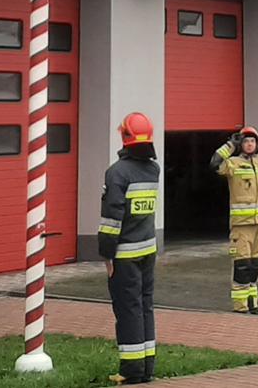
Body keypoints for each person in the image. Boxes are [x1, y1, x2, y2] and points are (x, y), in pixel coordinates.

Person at [100, 112, 160, 383]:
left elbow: (112, 218)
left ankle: (132, 370)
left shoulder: (117, 173)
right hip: (148, 249)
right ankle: (147, 367)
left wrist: (106, 253)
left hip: (124, 254)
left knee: (128, 309)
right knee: (145, 305)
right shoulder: (153, 170)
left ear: (125, 136)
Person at [209, 126, 258, 314]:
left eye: (252, 141)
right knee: (242, 265)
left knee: (255, 266)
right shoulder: (233, 164)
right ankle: (240, 306)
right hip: (241, 225)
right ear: (241, 144)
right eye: (246, 141)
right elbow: (214, 164)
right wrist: (230, 145)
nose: (249, 144)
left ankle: (253, 303)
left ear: (257, 144)